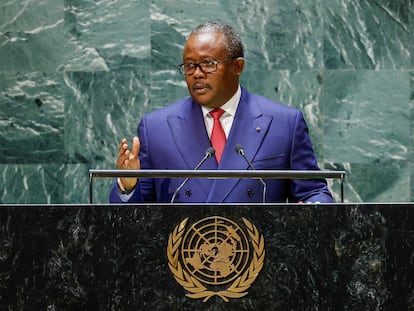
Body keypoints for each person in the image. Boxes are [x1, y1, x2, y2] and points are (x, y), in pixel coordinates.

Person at [109, 21, 334, 204]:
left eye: (208, 64)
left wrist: (314, 209)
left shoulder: (284, 123)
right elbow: (136, 216)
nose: (196, 74)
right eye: (189, 66)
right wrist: (127, 185)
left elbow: (313, 192)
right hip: (184, 255)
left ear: (237, 67)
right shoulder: (156, 128)